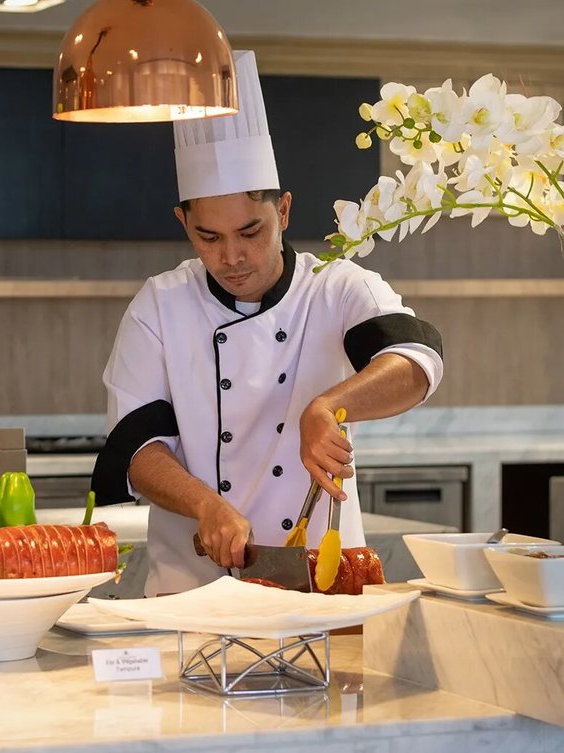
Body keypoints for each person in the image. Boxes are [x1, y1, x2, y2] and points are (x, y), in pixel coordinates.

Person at [90, 51, 444, 597]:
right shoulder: (160, 306)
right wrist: (205, 506)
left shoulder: (334, 287)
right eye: (209, 237)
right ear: (183, 222)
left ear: (283, 211)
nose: (232, 256)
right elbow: (138, 450)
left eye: (251, 232)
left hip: (319, 588)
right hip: (191, 593)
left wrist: (327, 407)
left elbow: (415, 363)